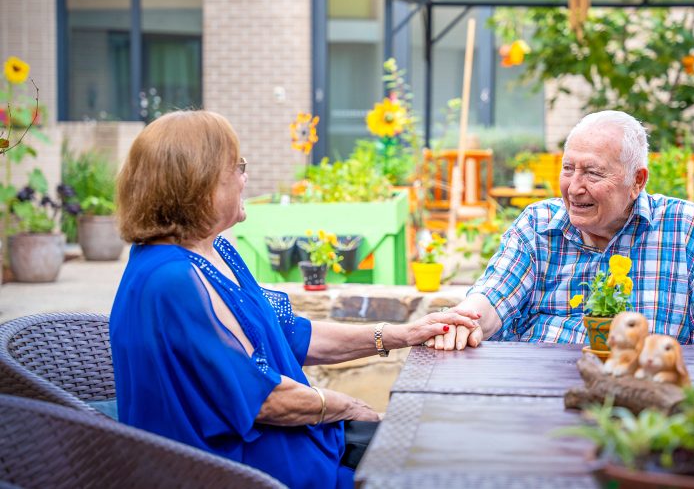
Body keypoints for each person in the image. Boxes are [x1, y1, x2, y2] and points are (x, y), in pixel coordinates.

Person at [109, 111, 479, 489]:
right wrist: (344, 406)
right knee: (433, 462)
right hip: (241, 469)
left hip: (289, 446)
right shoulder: (171, 280)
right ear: (199, 185)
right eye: (236, 167)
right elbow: (263, 399)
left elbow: (289, 335)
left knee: (437, 449)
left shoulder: (215, 252)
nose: (244, 177)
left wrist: (402, 334)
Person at [432, 110, 694, 350]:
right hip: (537, 400)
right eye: (568, 169)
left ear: (637, 181)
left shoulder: (689, 229)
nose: (574, 188)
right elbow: (493, 296)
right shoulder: (537, 224)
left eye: (592, 173)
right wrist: (465, 319)